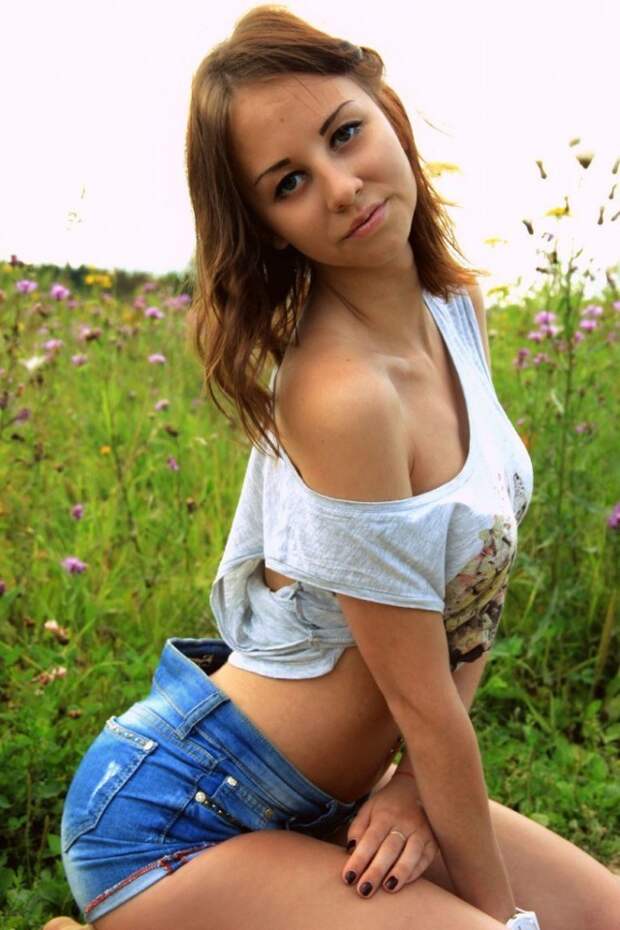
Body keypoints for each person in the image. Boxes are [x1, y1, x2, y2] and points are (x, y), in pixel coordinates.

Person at [47, 6, 620, 930]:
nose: (343, 187)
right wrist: (500, 918)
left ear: (387, 110)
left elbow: (469, 600)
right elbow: (419, 699)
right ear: (268, 226)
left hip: (339, 801)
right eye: (290, 182)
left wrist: (413, 786)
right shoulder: (340, 396)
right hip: (177, 825)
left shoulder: (455, 311)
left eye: (345, 133)